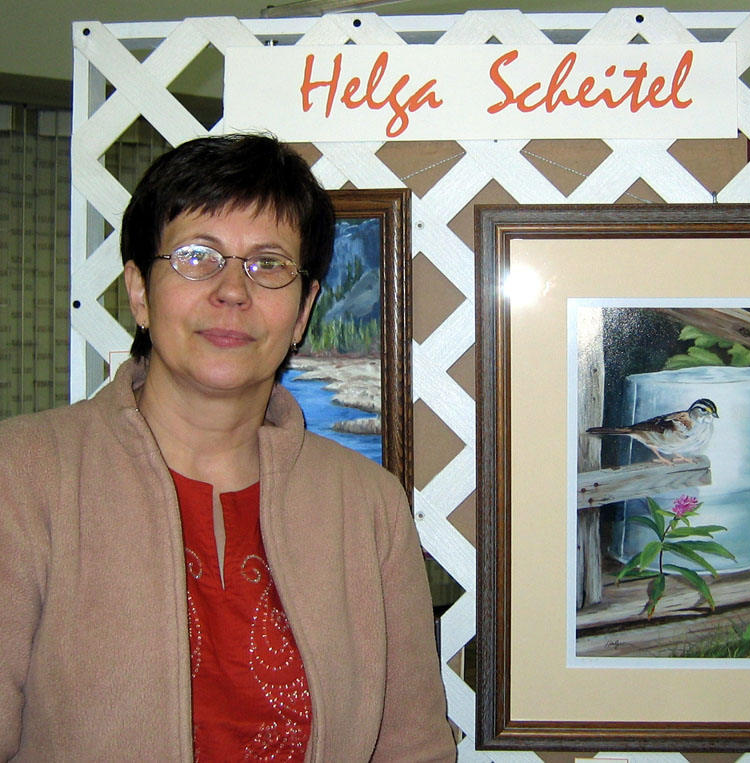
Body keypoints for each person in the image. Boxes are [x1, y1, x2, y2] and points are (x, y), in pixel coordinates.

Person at [0, 134, 456, 761]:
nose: (233, 291)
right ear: (139, 290)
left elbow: (413, 748)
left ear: (303, 311)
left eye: (268, 264)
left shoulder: (367, 504)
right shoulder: (23, 476)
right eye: (197, 256)